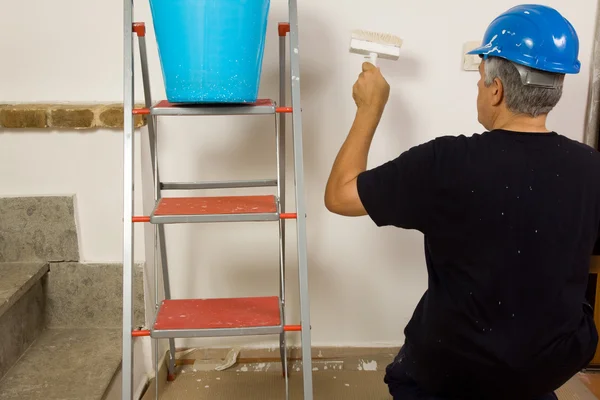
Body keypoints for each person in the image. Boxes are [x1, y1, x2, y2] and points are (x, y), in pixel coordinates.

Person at [325, 4, 600, 400]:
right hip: (545, 370)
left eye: (479, 80)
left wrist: (370, 109)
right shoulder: (591, 168)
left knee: (417, 369)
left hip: (452, 372)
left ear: (497, 89)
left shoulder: (446, 163)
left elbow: (340, 195)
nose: (478, 88)